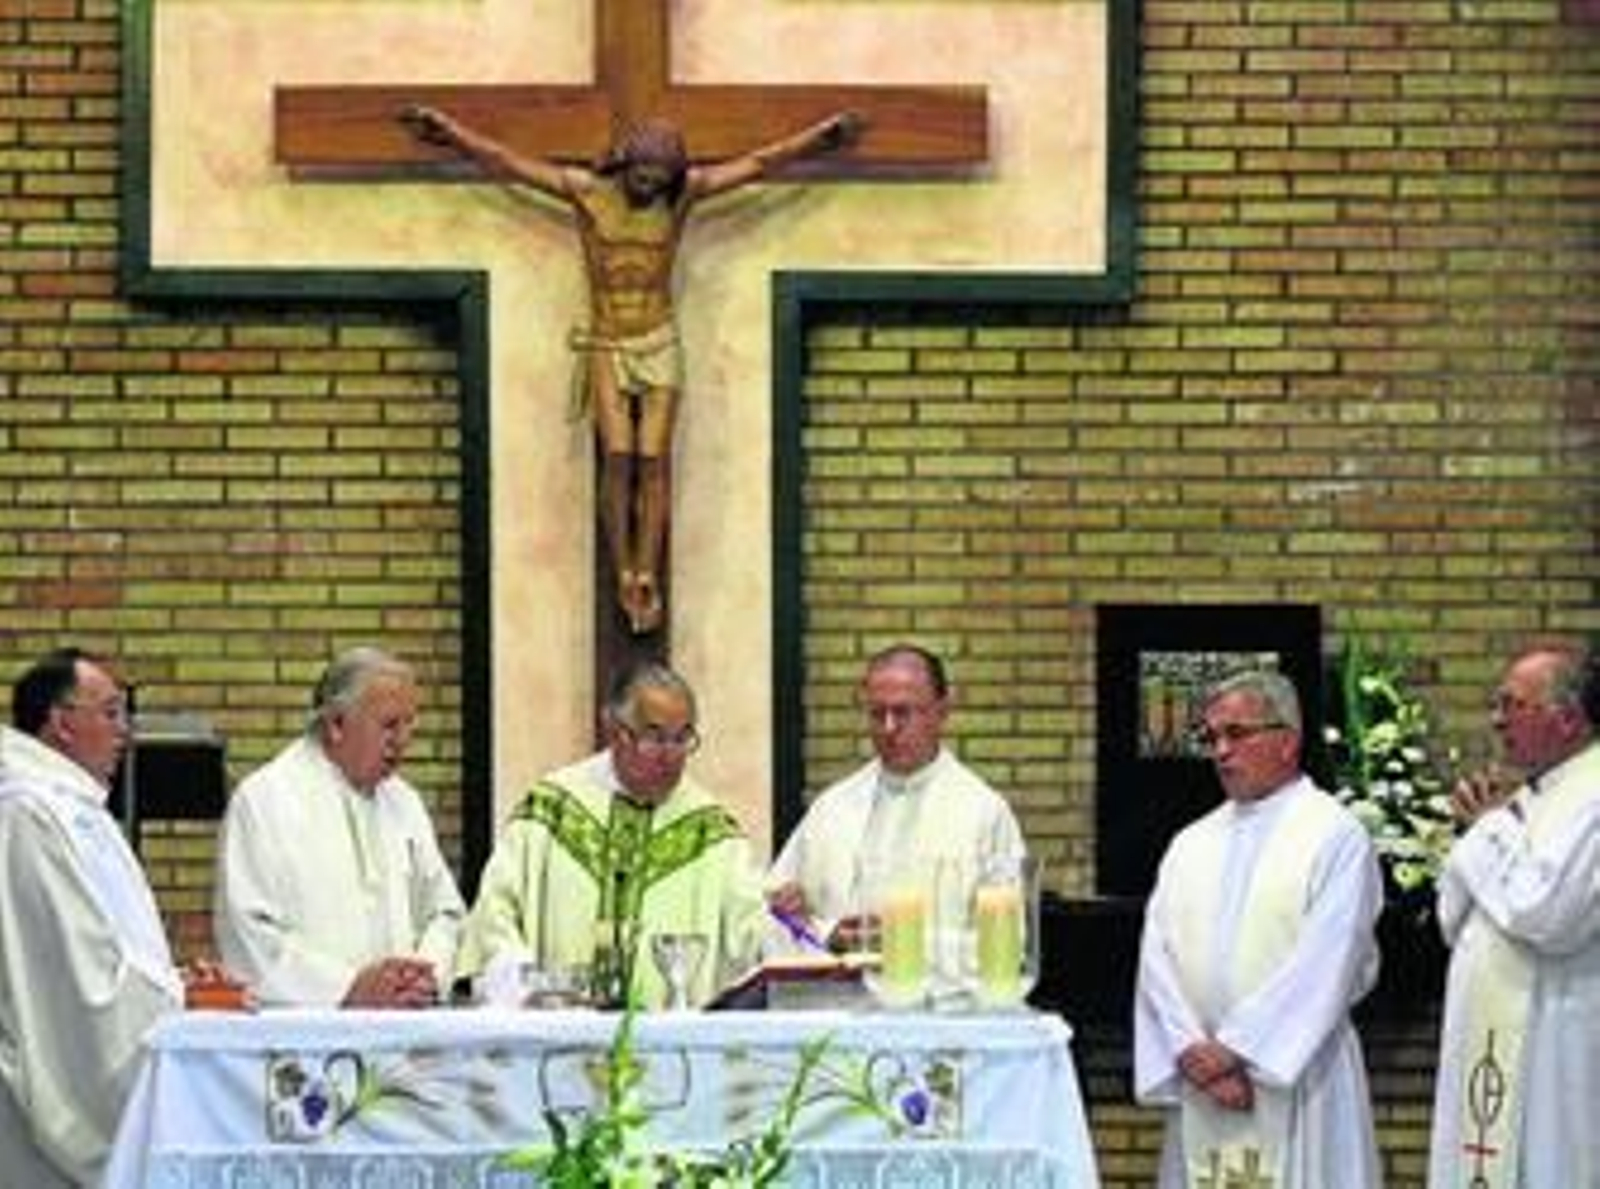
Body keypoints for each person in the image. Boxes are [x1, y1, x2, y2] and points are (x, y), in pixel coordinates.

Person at [400, 105, 863, 634]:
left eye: (661, 178)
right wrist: (453, 133)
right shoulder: (586, 191)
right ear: (625, 163)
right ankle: (623, 567)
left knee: (654, 457)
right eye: (644, 175)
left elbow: (757, 163)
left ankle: (648, 570)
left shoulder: (682, 197)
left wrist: (818, 138)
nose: (651, 185)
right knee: (618, 456)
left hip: (658, 336)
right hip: (606, 339)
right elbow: (508, 161)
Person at [1133, 669, 1383, 1189]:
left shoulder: (1334, 835)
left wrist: (1235, 1053)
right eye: (1212, 737)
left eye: (1237, 734)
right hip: (1203, 1082)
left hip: (1295, 1075)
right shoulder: (1190, 843)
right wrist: (1191, 1053)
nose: (1221, 751)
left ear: (1288, 740)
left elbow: (1328, 962)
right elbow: (1156, 959)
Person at [458, 662, 766, 1008]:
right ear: (615, 731)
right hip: (560, 1041)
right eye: (655, 737)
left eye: (682, 738)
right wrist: (524, 982)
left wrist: (793, 926)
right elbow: (494, 914)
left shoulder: (712, 831)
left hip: (670, 1048)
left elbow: (754, 934)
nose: (671, 756)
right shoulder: (552, 810)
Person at [0, 648, 185, 1186]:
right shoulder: (30, 814)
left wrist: (171, 983)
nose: (124, 730)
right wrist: (174, 998)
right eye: (109, 712)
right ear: (60, 723)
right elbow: (76, 971)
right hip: (37, 1092)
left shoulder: (75, 809)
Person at [1428, 643, 1600, 1189]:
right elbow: (1454, 914)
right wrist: (1489, 829)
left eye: (1512, 705)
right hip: (1491, 1030)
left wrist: (1487, 829)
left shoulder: (1593, 797)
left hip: (1556, 1037)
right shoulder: (1530, 797)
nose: (1496, 720)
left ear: (1568, 718)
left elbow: (1547, 915)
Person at [214, 646, 465, 1007]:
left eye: (410, 725)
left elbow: (445, 912)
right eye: (390, 725)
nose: (403, 741)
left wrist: (424, 974)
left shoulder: (403, 803)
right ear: (336, 724)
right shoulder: (266, 801)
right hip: (308, 1038)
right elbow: (248, 933)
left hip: (405, 1032)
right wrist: (348, 987)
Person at [766, 644, 1026, 948]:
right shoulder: (833, 807)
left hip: (938, 994)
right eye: (878, 714)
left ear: (942, 712)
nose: (888, 728)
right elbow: (774, 916)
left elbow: (1008, 943)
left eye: (903, 712)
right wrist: (826, 932)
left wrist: (906, 942)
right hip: (835, 994)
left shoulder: (983, 812)